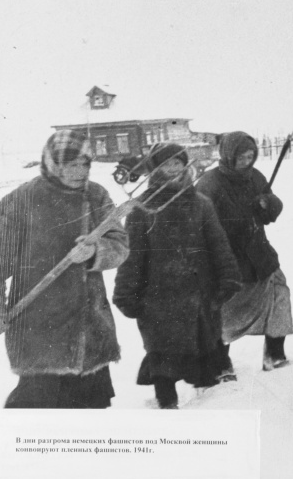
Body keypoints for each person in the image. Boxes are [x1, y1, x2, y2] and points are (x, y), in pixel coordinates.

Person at [0, 130, 129, 408]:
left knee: (90, 415)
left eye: (85, 164)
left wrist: (96, 251)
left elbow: (119, 244)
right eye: (70, 165)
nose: (79, 172)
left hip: (88, 326)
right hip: (38, 328)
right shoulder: (21, 201)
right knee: (39, 411)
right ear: (51, 164)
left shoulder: (96, 195)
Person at [113, 143, 242, 409]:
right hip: (159, 299)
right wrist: (126, 293)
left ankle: (208, 408)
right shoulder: (142, 209)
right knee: (163, 357)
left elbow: (219, 244)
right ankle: (166, 405)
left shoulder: (200, 203)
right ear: (155, 169)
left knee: (205, 351)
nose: (173, 169)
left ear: (185, 166)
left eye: (177, 163)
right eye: (166, 164)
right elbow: (132, 256)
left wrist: (228, 277)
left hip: (200, 294)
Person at [197, 132, 293, 374]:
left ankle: (274, 353)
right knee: (223, 311)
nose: (247, 162)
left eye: (251, 157)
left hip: (259, 254)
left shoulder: (255, 177)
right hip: (228, 259)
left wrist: (266, 204)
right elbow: (201, 223)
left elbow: (273, 204)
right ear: (229, 155)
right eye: (242, 157)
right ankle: (219, 364)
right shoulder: (210, 183)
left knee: (278, 294)